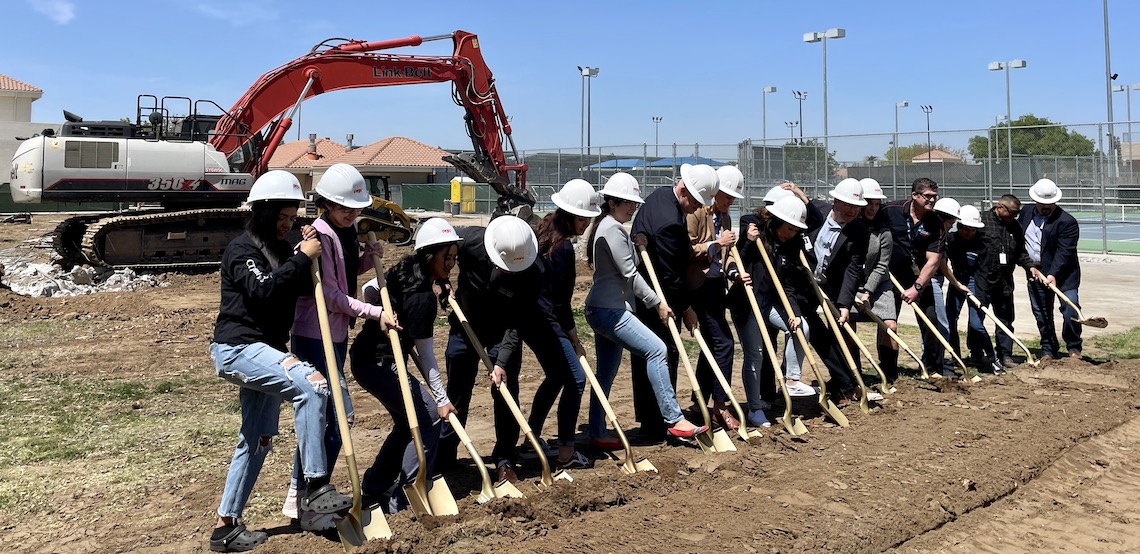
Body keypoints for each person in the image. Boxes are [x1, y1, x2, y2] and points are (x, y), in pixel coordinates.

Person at [208, 171, 360, 552]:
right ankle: (313, 485)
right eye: (281, 218)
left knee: (256, 441)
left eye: (292, 220)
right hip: (238, 349)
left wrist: (307, 246)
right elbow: (265, 291)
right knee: (314, 385)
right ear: (261, 212)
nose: (287, 225)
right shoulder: (242, 251)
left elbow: (312, 276)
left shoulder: (282, 249)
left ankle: (225, 527)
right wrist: (300, 256)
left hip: (266, 353)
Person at [283, 163, 387, 531]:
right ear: (326, 203)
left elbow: (341, 274)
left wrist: (367, 258)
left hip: (337, 332)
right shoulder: (321, 235)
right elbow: (329, 294)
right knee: (335, 416)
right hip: (315, 332)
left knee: (323, 420)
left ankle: (301, 496)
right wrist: (374, 311)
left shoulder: (344, 232)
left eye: (357, 209)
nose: (353, 214)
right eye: (346, 208)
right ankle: (313, 497)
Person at [439, 215, 577, 485]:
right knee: (457, 390)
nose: (512, 272)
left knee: (506, 391)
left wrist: (501, 362)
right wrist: (440, 278)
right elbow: (434, 245)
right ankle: (444, 456)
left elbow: (517, 323)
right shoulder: (470, 240)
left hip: (504, 330)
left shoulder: (534, 272)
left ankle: (504, 459)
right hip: (466, 322)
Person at [584, 172, 708, 443]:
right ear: (613, 202)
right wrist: (658, 303)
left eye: (634, 203)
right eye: (628, 202)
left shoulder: (610, 227)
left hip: (600, 308)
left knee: (605, 373)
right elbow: (630, 274)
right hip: (611, 310)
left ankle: (596, 431)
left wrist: (640, 243)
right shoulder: (612, 229)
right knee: (657, 349)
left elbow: (625, 263)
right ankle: (675, 419)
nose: (633, 207)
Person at [348, 217, 458, 514]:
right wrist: (442, 400)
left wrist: (383, 314)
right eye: (447, 257)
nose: (451, 264)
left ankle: (375, 484)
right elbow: (426, 355)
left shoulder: (402, 270)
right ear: (429, 254)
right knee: (430, 419)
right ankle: (404, 496)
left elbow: (371, 290)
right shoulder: (423, 299)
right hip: (379, 363)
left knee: (404, 423)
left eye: (453, 258)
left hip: (362, 356)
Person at [629, 163, 719, 437]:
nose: (697, 209)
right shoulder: (669, 221)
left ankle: (653, 418)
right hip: (657, 299)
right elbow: (671, 276)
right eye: (696, 203)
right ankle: (658, 421)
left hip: (649, 292)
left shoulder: (659, 195)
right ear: (683, 192)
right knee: (664, 353)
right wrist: (686, 309)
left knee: (651, 354)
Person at [728, 182, 814, 427]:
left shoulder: (791, 244)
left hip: (770, 301)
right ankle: (755, 408)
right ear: (777, 220)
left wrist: (794, 313)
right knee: (755, 354)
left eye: (796, 230)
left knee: (801, 328)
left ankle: (792, 380)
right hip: (748, 301)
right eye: (789, 228)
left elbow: (786, 284)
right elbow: (738, 260)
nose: (791, 233)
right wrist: (747, 240)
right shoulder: (754, 231)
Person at [524, 179, 596, 468]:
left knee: (556, 377)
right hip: (547, 323)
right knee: (575, 378)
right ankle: (566, 452)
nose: (587, 224)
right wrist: (575, 341)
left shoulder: (543, 232)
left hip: (531, 320)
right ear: (572, 216)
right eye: (584, 219)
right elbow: (562, 305)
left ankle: (531, 439)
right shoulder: (563, 249)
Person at [685, 165, 745, 431]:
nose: (730, 202)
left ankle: (700, 403)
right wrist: (716, 244)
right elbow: (686, 249)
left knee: (712, 344)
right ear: (715, 192)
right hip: (698, 287)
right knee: (724, 343)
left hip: (716, 288)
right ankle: (720, 404)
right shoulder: (697, 212)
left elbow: (728, 255)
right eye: (727, 196)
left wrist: (733, 272)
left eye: (733, 199)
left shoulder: (727, 218)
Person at [804, 178, 872, 404]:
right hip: (803, 280)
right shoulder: (816, 213)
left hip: (831, 285)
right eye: (848, 205)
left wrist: (844, 304)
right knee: (804, 327)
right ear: (835, 202)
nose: (853, 211)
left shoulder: (859, 232)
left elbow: (853, 270)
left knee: (836, 333)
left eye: (856, 206)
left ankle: (845, 384)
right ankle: (784, 383)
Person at [883, 178, 951, 377]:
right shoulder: (891, 210)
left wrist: (917, 287)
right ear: (914, 195)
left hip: (919, 276)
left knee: (931, 319)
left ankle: (934, 370)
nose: (932, 201)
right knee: (888, 322)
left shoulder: (935, 222)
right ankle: (888, 371)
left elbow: (934, 260)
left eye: (934, 197)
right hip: (891, 275)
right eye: (928, 196)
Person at [1019, 178, 1083, 361]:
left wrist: (1053, 274)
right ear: (1035, 200)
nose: (1046, 207)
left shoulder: (1067, 222)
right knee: (1042, 312)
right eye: (1042, 203)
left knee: (1071, 308)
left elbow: (1065, 252)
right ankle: (1048, 348)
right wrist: (1029, 267)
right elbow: (1019, 240)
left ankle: (1073, 347)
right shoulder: (1026, 213)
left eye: (1050, 203)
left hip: (1064, 274)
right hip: (1036, 272)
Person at [978, 194, 1035, 368]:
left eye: (1017, 213)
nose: (1015, 216)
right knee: (977, 319)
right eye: (1012, 212)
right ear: (1000, 207)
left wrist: (1030, 266)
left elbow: (1020, 252)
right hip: (983, 280)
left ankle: (1005, 355)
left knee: (1005, 319)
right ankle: (977, 353)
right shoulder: (982, 221)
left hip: (1004, 281)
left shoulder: (1015, 227)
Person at [942, 205, 1000, 373]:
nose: (969, 233)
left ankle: (993, 359)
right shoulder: (950, 240)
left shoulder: (983, 244)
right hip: (956, 281)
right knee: (950, 320)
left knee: (976, 324)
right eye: (966, 229)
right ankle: (956, 357)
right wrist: (956, 283)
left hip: (975, 282)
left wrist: (980, 298)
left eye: (972, 230)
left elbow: (982, 272)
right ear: (958, 226)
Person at [854, 178, 898, 383]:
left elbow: (882, 265)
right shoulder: (850, 227)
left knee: (890, 325)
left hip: (879, 285)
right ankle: (853, 374)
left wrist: (868, 291)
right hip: (852, 285)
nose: (872, 208)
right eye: (869, 203)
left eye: (877, 204)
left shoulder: (884, 232)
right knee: (846, 325)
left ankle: (889, 374)